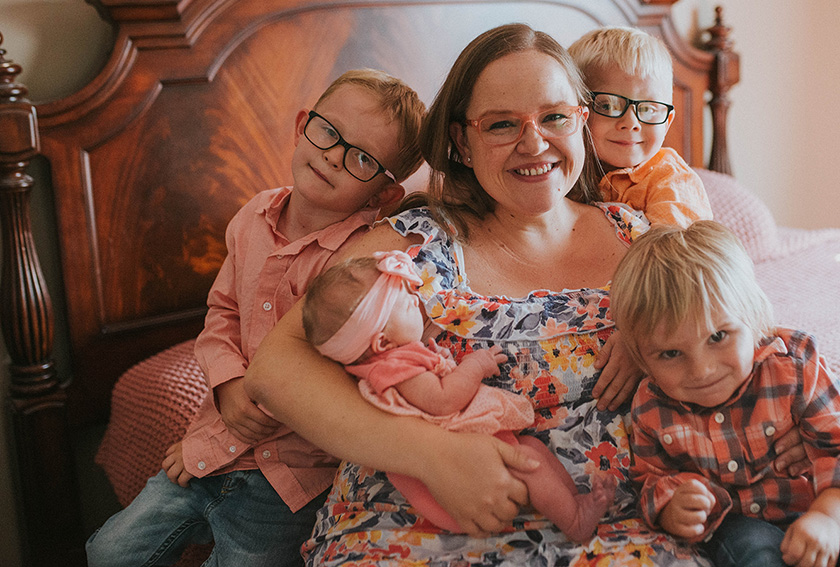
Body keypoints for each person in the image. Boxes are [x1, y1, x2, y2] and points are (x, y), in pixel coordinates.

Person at [244, 23, 806, 566]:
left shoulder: (648, 242)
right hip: (413, 527)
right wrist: (432, 455)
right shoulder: (411, 244)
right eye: (501, 125)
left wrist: (783, 434)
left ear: (581, 121)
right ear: (462, 141)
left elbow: (745, 344)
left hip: (625, 528)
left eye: (554, 117)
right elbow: (276, 368)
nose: (534, 143)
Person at [85, 69, 426, 567]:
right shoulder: (253, 216)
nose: (333, 154)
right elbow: (222, 314)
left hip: (291, 480)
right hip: (207, 446)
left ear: (382, 195)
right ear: (302, 126)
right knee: (109, 551)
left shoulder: (363, 260)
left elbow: (335, 370)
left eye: (361, 159)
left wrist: (231, 433)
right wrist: (225, 389)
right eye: (329, 133)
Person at [611, 220, 840, 567]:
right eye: (670, 354)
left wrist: (828, 519)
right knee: (751, 553)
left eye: (718, 337)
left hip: (820, 506)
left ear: (754, 317)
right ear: (642, 358)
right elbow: (650, 479)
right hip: (743, 525)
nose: (702, 370)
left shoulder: (793, 365)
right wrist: (672, 507)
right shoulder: (651, 406)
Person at [301, 250, 616, 542]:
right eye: (409, 304)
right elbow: (443, 400)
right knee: (530, 461)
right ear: (382, 343)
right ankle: (574, 520)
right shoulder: (398, 368)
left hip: (468, 451)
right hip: (465, 462)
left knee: (532, 448)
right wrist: (475, 366)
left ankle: (573, 501)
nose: (417, 302)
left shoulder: (386, 363)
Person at [568, 26, 713, 228]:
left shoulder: (670, 181)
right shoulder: (565, 170)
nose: (631, 123)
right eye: (608, 105)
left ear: (667, 122)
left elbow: (677, 253)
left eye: (648, 109)